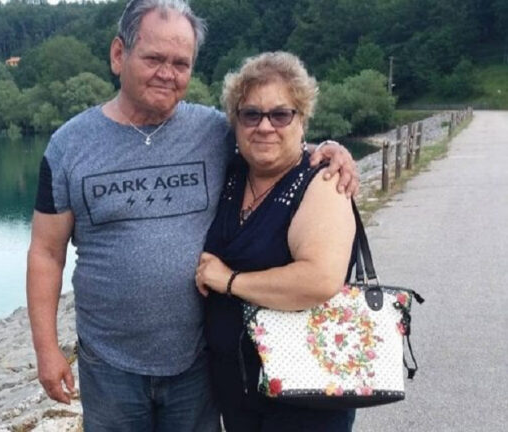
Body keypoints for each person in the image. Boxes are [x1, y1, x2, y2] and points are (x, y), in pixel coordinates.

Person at [26, 1, 358, 431]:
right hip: (108, 365)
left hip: (197, 365)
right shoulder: (68, 146)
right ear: (118, 54)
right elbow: (46, 253)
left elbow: (272, 142)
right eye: (154, 58)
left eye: (181, 63)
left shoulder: (212, 131)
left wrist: (328, 151)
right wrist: (46, 349)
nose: (168, 73)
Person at [195, 52, 357, 431]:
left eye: (281, 115)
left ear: (302, 119)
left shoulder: (323, 181)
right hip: (237, 390)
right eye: (251, 114)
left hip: (306, 397)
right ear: (236, 122)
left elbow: (319, 280)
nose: (265, 126)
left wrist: (229, 281)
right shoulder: (232, 174)